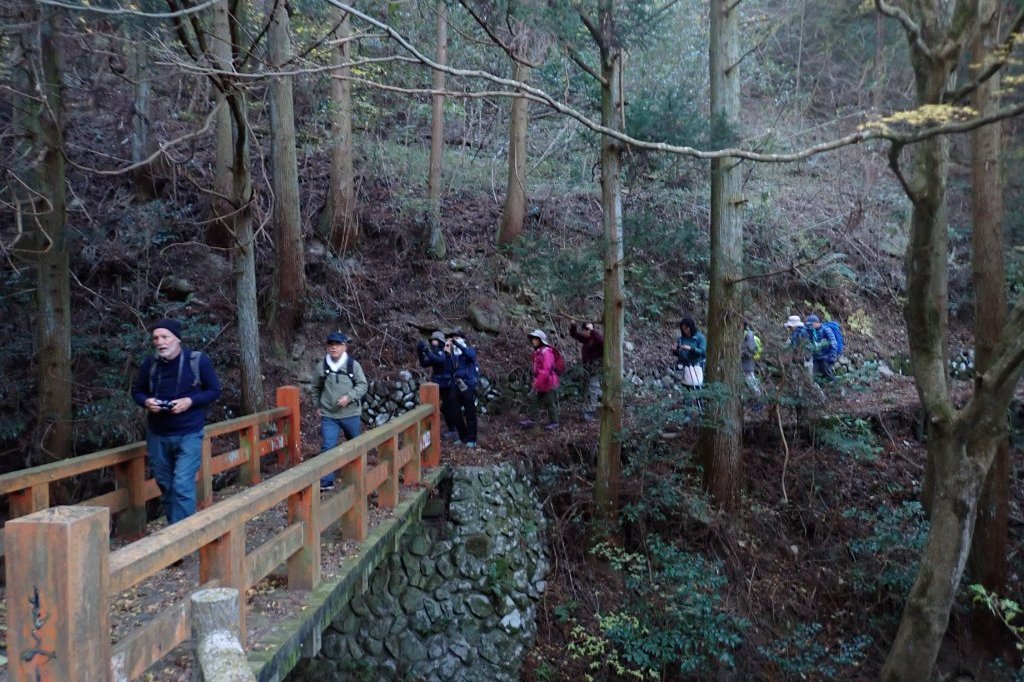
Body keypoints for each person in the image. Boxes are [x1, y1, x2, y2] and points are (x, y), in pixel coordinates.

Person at [131, 318, 221, 525]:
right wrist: (147, 402)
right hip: (158, 435)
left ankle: (184, 538)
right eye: (155, 338)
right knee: (166, 485)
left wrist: (189, 401)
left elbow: (214, 390)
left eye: (165, 337)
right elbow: (137, 391)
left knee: (182, 484)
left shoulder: (197, 361)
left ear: (177, 339)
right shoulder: (149, 364)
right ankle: (175, 534)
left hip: (189, 433)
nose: (160, 341)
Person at [311, 331, 368, 491]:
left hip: (351, 413)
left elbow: (363, 385)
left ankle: (358, 475)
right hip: (329, 414)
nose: (333, 347)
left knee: (355, 444)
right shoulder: (322, 366)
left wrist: (348, 397)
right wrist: (317, 405)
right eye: (331, 344)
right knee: (328, 446)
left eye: (337, 344)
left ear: (344, 346)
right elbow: (315, 387)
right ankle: (327, 480)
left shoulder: (352, 365)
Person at [418, 330, 457, 441]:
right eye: (431, 341)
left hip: (446, 385)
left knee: (447, 408)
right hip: (437, 384)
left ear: (440, 342)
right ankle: (430, 431)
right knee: (432, 407)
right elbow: (424, 363)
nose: (432, 343)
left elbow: (440, 360)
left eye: (435, 341)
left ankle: (452, 430)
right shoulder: (434, 352)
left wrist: (427, 351)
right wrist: (420, 352)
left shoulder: (445, 351)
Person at [521, 329, 560, 430]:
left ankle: (555, 422)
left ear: (540, 340)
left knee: (550, 402)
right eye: (533, 339)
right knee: (534, 399)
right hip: (541, 382)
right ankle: (531, 420)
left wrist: (538, 382)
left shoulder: (546, 352)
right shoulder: (538, 352)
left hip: (549, 382)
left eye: (535, 339)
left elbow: (546, 369)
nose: (533, 341)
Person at [447, 330, 479, 448]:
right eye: (453, 337)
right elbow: (449, 368)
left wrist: (457, 344)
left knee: (470, 412)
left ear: (462, 338)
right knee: (454, 410)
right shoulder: (453, 355)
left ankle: (471, 439)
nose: (454, 339)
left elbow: (471, 356)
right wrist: (447, 354)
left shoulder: (468, 350)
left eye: (457, 337)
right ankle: (463, 436)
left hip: (468, 385)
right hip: (456, 384)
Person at [569, 320, 604, 421]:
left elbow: (602, 342)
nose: (587, 331)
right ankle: (601, 401)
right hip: (588, 369)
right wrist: (573, 325)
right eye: (585, 329)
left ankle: (590, 411)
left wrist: (592, 331)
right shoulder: (586, 340)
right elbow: (574, 334)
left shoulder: (597, 339)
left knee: (593, 388)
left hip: (597, 368)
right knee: (593, 388)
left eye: (589, 329)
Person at [674, 317, 707, 388]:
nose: (685, 330)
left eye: (686, 328)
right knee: (685, 386)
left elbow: (702, 352)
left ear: (690, 327)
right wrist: (675, 350)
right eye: (683, 329)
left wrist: (691, 349)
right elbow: (678, 354)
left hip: (696, 366)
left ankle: (698, 398)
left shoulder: (700, 337)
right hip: (683, 367)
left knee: (696, 384)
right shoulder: (681, 339)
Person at [804, 315, 839, 382]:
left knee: (826, 371)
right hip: (816, 357)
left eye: (811, 324)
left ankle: (835, 384)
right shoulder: (810, 331)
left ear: (816, 322)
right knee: (814, 374)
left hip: (827, 356)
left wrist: (831, 356)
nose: (810, 326)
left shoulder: (826, 330)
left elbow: (833, 343)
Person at [741, 320, 762, 400]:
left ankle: (759, 402)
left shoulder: (749, 335)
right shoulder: (743, 334)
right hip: (743, 364)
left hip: (747, 364)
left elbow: (750, 350)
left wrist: (739, 352)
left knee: (752, 383)